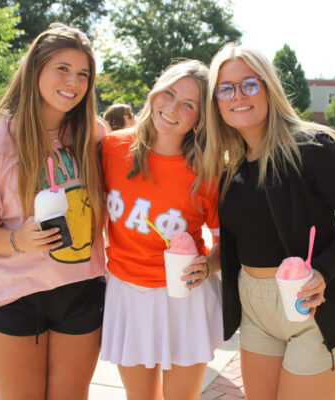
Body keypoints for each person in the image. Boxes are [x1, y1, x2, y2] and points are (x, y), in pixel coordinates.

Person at [202, 43, 335, 400]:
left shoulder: (312, 148)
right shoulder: (229, 163)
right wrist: (205, 265)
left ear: (268, 87)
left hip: (316, 306)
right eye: (226, 88)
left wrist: (324, 271)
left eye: (249, 84)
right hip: (254, 309)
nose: (238, 95)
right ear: (216, 101)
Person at [0, 24, 107, 400]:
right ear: (35, 69)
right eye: (62, 69)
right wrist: (17, 239)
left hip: (82, 290)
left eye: (83, 74)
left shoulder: (94, 136)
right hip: (11, 298)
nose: (74, 82)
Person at [100, 59, 222, 400]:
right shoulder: (110, 148)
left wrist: (209, 264)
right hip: (127, 293)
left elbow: (225, 242)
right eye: (168, 94)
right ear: (155, 93)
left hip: (184, 297)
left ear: (199, 118)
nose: (173, 109)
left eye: (188, 105)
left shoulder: (207, 169)